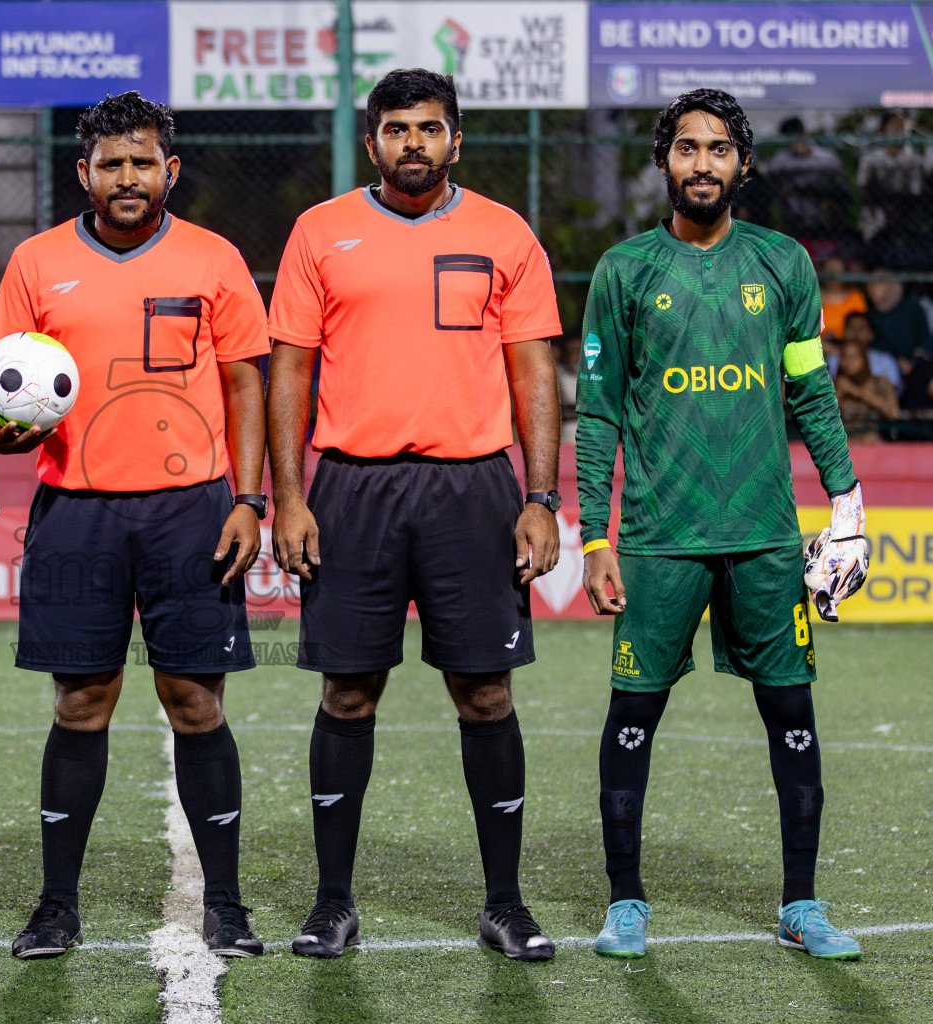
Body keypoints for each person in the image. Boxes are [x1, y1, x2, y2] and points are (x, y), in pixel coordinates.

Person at [266, 68, 564, 961]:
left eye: (429, 129)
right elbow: (289, 369)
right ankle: (332, 904)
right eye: (396, 130)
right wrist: (288, 495)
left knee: (486, 691)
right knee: (347, 691)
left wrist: (542, 498)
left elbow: (533, 375)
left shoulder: (505, 234)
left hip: (473, 488)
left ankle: (504, 904)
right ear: (373, 144)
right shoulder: (321, 233)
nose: (413, 144)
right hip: (351, 488)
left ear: (456, 140)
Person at [578, 88, 866, 962]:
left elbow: (811, 390)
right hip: (661, 538)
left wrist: (846, 504)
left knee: (791, 713)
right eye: (687, 148)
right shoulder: (624, 271)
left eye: (719, 150)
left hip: (767, 539)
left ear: (744, 163)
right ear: (664, 160)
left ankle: (801, 904)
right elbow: (598, 417)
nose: (702, 164)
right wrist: (595, 538)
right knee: (634, 711)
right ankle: (626, 901)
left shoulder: (783, 263)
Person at [0, 92, 269, 960]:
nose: (128, 177)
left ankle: (224, 902)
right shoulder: (35, 264)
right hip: (77, 512)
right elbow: (0, 398)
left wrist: (250, 501)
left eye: (143, 162)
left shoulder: (214, 260)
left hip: (193, 514)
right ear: (85, 174)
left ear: (170, 170)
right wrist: (9, 426)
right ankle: (56, 906)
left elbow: (247, 385)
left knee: (195, 702)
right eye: (111, 164)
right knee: (80, 703)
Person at [761, 117, 850, 253]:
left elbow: (840, 182)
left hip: (822, 209)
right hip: (794, 212)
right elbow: (770, 174)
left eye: (797, 137)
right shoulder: (782, 160)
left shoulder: (824, 157)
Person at [857, 112, 926, 266]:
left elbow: (916, 191)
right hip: (875, 221)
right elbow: (863, 187)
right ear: (883, 130)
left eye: (901, 127)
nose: (898, 131)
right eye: (894, 126)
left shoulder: (913, 160)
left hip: (905, 222)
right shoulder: (871, 159)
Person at [833, 335, 901, 441]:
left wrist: (856, 391)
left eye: (855, 356)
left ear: (864, 358)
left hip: (873, 443)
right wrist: (839, 393)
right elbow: (821, 418)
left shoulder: (880, 382)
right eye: (844, 356)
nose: (849, 361)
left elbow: (893, 413)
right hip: (843, 445)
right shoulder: (833, 385)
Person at [865, 269, 931, 375]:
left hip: (918, 363)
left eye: (876, 285)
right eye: (869, 285)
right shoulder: (871, 314)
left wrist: (915, 360)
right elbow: (874, 343)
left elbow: (925, 338)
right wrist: (896, 359)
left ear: (889, 285)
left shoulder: (912, 307)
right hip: (887, 366)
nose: (871, 289)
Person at [827, 312, 901, 393]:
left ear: (871, 334)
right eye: (851, 328)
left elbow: (894, 394)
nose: (856, 332)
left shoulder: (886, 360)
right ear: (844, 333)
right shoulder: (834, 359)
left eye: (861, 328)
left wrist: (856, 390)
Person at [816, 257, 866, 349]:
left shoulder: (856, 297)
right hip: (818, 349)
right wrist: (831, 349)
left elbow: (862, 330)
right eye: (830, 271)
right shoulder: (813, 297)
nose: (834, 275)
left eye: (839, 271)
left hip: (851, 351)